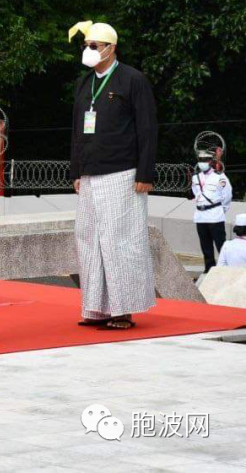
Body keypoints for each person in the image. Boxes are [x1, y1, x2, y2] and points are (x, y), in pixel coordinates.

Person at [69, 20, 158, 330]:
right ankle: (96, 308)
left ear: (111, 49)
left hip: (123, 171)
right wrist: (76, 170)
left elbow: (147, 128)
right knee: (89, 239)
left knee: (120, 240)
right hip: (90, 173)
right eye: (86, 45)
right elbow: (77, 130)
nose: (88, 50)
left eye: (94, 46)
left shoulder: (133, 80)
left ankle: (123, 309)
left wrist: (145, 172)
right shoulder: (84, 83)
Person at [192, 150, 233, 272]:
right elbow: (196, 195)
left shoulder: (220, 177)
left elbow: (227, 196)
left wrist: (220, 210)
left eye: (204, 160)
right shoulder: (196, 177)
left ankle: (225, 270)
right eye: (200, 160)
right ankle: (209, 269)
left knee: (221, 245)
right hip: (200, 216)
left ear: (210, 161)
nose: (202, 163)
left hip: (215, 216)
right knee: (206, 246)